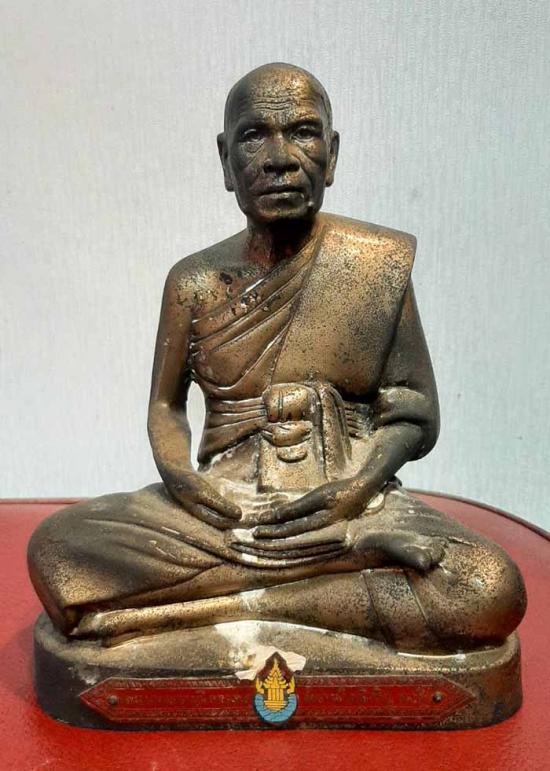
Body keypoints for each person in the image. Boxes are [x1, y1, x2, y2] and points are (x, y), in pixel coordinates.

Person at [28, 63, 526, 652]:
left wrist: (355, 490)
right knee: (58, 548)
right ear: (225, 161)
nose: (280, 159)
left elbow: (413, 412)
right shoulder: (194, 282)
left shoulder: (374, 265)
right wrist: (183, 481)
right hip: (227, 512)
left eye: (303, 132)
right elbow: (166, 407)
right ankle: (333, 569)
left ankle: (216, 606)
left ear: (332, 155)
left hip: (351, 500)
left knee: (488, 586)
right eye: (253, 136)